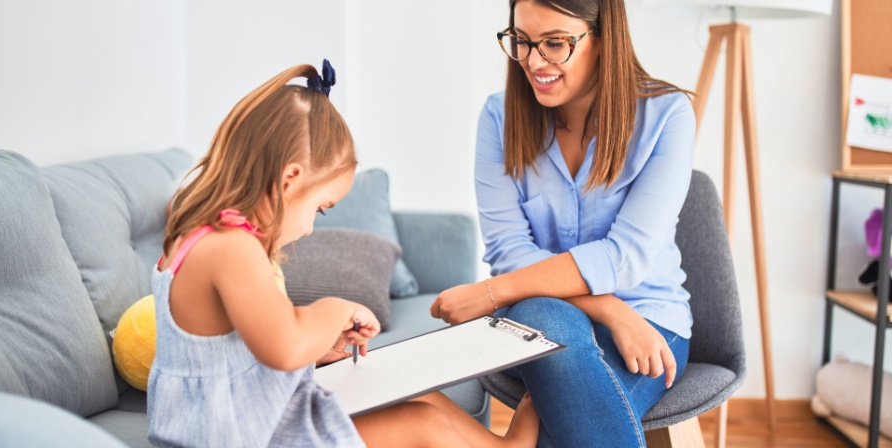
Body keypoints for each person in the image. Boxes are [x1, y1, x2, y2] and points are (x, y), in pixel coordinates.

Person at [146, 60, 540, 448]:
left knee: (410, 391)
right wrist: (333, 309)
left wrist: (315, 350)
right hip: (245, 434)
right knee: (422, 423)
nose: (310, 229)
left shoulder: (204, 238)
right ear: (290, 179)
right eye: (320, 208)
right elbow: (283, 346)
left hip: (248, 418)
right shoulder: (231, 247)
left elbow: (232, 360)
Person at [430, 1, 695, 446]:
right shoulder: (498, 118)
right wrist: (610, 309)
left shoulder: (667, 115)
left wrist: (488, 294)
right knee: (544, 313)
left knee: (556, 428)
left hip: (649, 322)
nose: (534, 62)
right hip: (556, 318)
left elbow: (624, 257)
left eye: (555, 43)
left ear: (605, 38)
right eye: (521, 41)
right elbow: (509, 250)